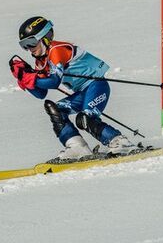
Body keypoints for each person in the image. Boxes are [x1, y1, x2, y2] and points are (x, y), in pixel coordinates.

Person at [10, 16, 135, 160]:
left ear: (44, 38)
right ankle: (77, 147)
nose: (28, 49)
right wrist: (23, 78)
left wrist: (32, 78)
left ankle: (119, 142)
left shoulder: (56, 50)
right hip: (83, 92)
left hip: (97, 85)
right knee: (56, 110)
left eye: (31, 43)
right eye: (24, 45)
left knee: (85, 118)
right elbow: (41, 94)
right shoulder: (40, 62)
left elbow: (54, 81)